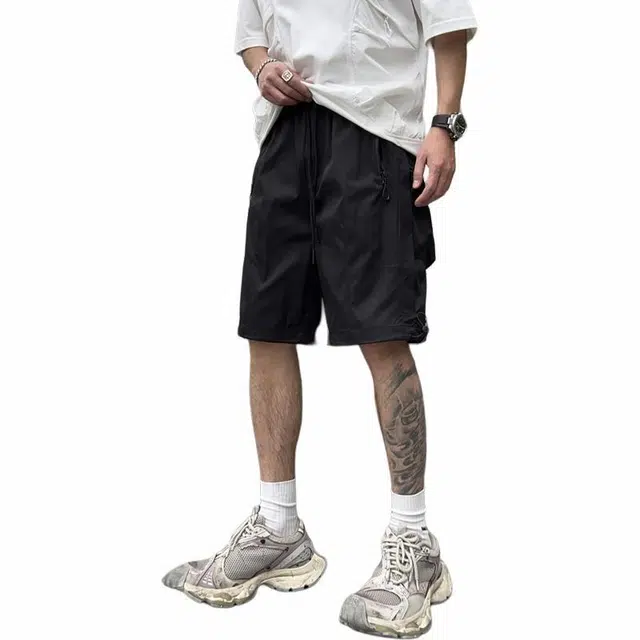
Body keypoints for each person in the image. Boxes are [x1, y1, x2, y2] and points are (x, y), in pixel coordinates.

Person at [162, 1, 477, 636]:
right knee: (268, 329)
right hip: (285, 138)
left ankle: (413, 541)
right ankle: (279, 527)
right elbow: (252, 35)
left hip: (374, 133)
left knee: (383, 334)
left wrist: (445, 124)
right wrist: (262, 69)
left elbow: (447, 24)